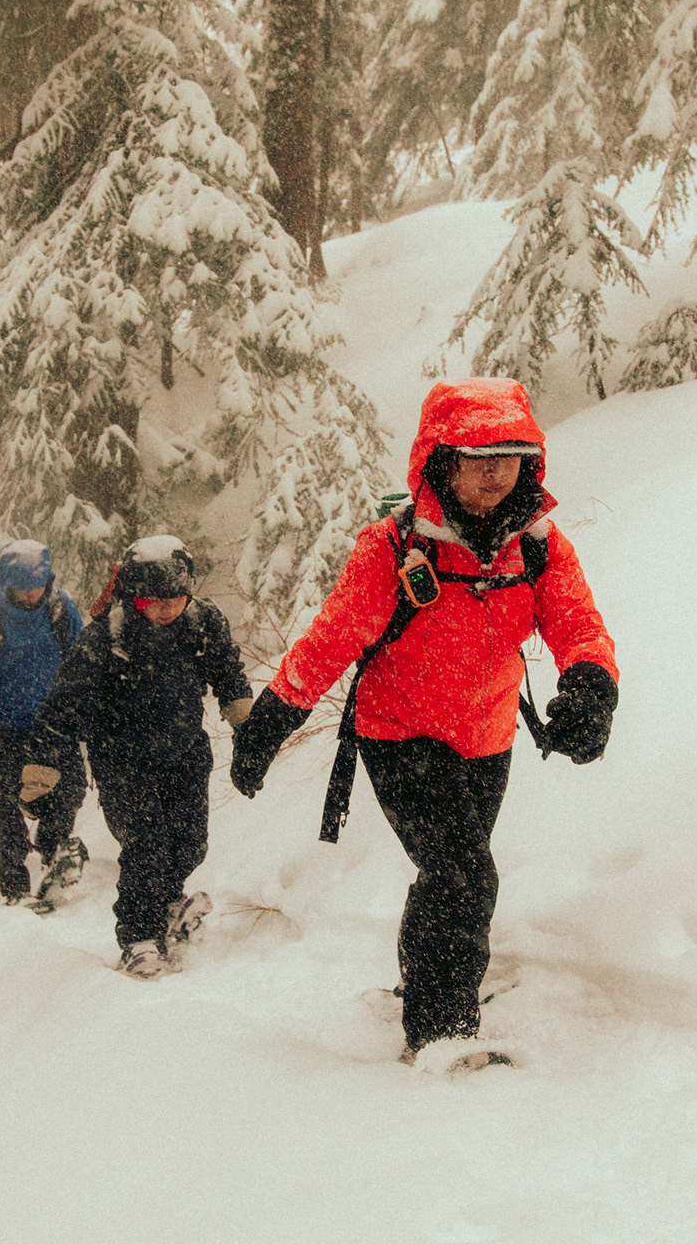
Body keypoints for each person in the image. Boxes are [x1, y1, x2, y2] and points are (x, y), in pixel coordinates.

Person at [229, 378, 619, 1065]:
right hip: (399, 733)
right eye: (477, 458)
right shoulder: (395, 548)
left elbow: (579, 624)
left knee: (448, 874)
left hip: (487, 738)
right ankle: (440, 1032)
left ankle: (424, 983)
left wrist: (591, 689)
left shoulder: (537, 546)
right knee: (464, 874)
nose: (496, 472)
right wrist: (269, 724)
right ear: (442, 459)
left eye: (509, 456)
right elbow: (330, 642)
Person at [22, 536, 253, 978]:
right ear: (133, 597)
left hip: (185, 751)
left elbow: (228, 673)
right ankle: (139, 938)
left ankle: (166, 902)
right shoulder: (105, 639)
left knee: (189, 842)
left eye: (176, 599)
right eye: (153, 601)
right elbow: (63, 707)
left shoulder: (202, 622)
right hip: (122, 760)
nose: (166, 610)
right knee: (146, 845)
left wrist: (248, 730)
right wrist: (40, 774)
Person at [0, 538, 88, 906]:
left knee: (70, 791)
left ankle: (52, 855)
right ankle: (15, 891)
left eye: (37, 587)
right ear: (5, 583)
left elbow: (79, 660)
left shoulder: (61, 609)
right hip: (0, 730)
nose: (30, 595)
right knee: (9, 807)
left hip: (53, 724)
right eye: (22, 588)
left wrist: (81, 709)